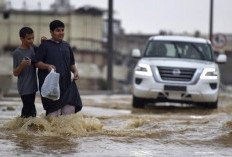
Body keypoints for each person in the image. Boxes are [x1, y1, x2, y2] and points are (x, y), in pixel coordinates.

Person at [35, 20, 82, 117]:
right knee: (53, 117)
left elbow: (71, 64)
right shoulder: (45, 45)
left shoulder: (67, 46)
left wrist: (75, 71)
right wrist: (47, 66)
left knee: (68, 115)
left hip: (66, 87)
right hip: (51, 88)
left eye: (62, 30)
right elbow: (36, 63)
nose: (61, 33)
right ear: (51, 32)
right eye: (57, 30)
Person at [13, 27, 37, 118]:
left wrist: (44, 42)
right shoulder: (17, 53)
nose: (31, 41)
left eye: (33, 38)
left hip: (33, 86)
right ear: (21, 38)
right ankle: (22, 129)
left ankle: (21, 129)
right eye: (29, 39)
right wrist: (22, 65)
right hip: (24, 87)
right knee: (30, 110)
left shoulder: (33, 48)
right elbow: (15, 73)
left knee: (29, 111)